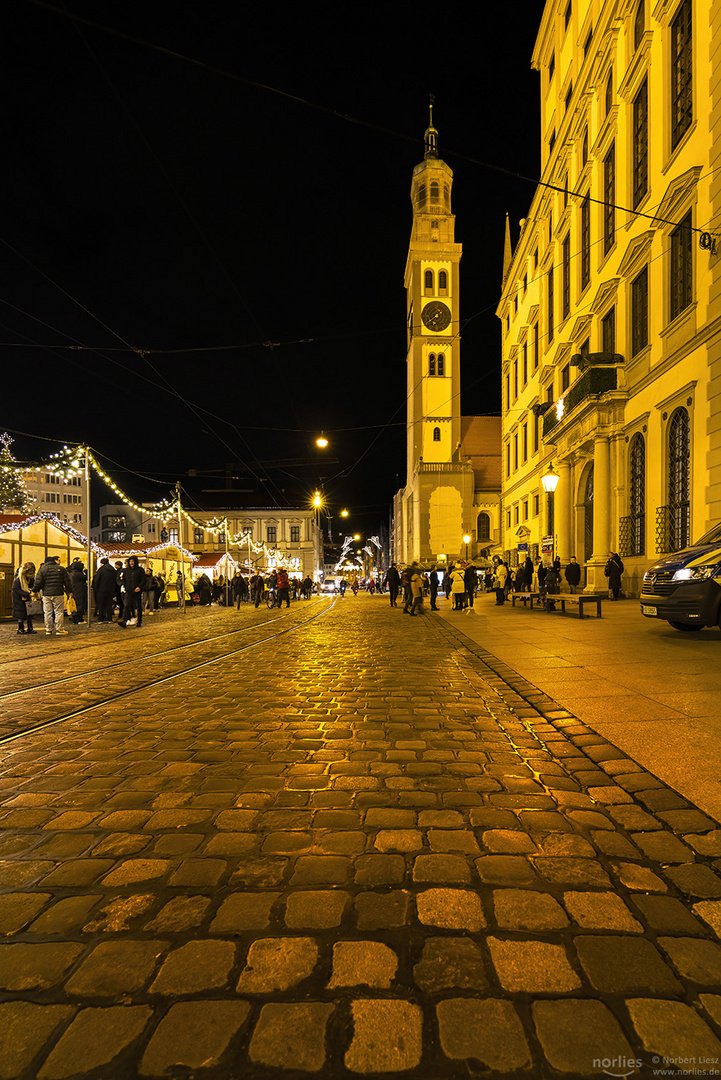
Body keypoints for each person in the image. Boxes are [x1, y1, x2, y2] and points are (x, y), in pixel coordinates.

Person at [33, 555, 72, 636]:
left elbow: (38, 583)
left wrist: (34, 591)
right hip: (58, 593)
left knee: (47, 612)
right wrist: (70, 591)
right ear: (54, 561)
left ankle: (48, 629)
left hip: (46, 594)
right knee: (59, 612)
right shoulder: (61, 569)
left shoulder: (42, 570)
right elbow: (67, 582)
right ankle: (59, 629)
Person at [118, 556, 146, 628]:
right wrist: (125, 586)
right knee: (126, 605)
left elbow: (143, 580)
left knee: (138, 606)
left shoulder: (140, 570)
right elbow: (123, 579)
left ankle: (139, 621)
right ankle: (125, 620)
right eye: (130, 561)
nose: (131, 563)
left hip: (137, 591)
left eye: (133, 561)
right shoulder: (126, 571)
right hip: (128, 591)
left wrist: (139, 587)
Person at [12, 561, 37, 636]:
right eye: (29, 571)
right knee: (21, 614)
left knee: (29, 613)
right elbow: (16, 589)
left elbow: (32, 585)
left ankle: (30, 628)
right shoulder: (18, 578)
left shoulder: (31, 577)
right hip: (19, 598)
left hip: (27, 597)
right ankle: (20, 629)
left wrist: (33, 591)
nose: (31, 573)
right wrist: (28, 594)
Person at [67, 558, 87, 624]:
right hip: (79, 591)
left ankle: (75, 618)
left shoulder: (72, 573)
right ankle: (79, 619)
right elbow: (86, 577)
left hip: (74, 590)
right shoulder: (78, 574)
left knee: (75, 604)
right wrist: (86, 571)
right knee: (79, 604)